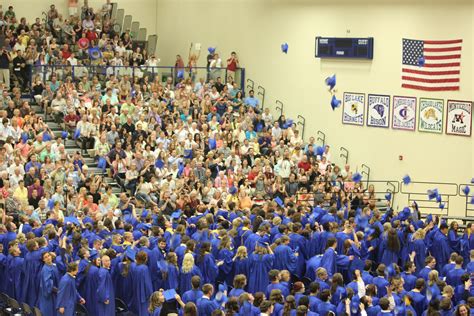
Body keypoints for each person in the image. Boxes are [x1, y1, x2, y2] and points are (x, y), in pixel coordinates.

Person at [130, 251, 153, 316]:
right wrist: (150, 294)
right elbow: (147, 284)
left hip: (137, 293)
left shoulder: (135, 267)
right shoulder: (144, 268)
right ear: (145, 258)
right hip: (144, 296)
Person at [38, 251, 60, 316]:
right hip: (50, 295)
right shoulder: (46, 270)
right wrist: (58, 291)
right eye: (45, 257)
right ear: (43, 260)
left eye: (48, 256)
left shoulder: (54, 266)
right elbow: (49, 285)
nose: (48, 258)